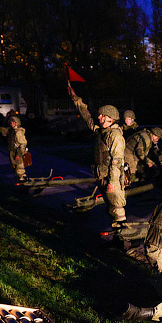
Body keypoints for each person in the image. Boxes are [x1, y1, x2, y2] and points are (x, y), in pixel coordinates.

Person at [68, 84, 127, 225]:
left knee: (117, 206)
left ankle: (123, 236)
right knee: (110, 206)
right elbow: (86, 116)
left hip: (110, 176)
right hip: (101, 174)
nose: (99, 117)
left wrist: (112, 182)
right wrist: (75, 98)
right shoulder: (101, 131)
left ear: (110, 118)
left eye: (102, 115)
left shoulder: (115, 135)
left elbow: (117, 160)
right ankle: (117, 233)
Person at [0, 114, 29, 181]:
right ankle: (20, 178)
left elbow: (23, 144)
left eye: (13, 122)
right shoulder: (10, 131)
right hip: (12, 151)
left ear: (16, 123)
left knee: (19, 166)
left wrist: (18, 154)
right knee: (14, 165)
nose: (11, 123)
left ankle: (22, 178)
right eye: (11, 122)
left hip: (17, 151)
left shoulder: (19, 132)